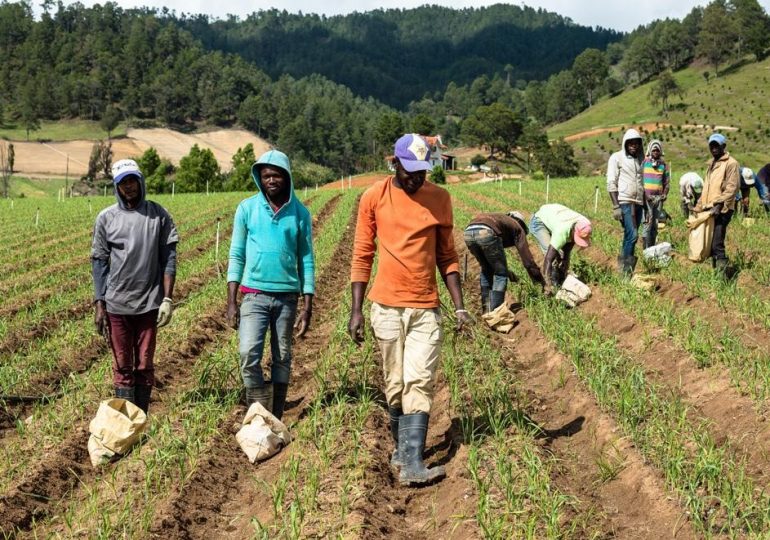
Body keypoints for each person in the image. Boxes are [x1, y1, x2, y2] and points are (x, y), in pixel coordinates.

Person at [348, 133, 471, 487]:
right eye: (410, 170)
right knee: (395, 382)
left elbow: (447, 256)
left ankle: (413, 461)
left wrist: (460, 308)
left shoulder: (440, 199)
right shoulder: (374, 196)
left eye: (423, 171)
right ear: (395, 163)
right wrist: (356, 310)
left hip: (425, 308)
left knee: (420, 379)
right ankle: (401, 453)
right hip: (385, 305)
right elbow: (361, 253)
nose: (417, 177)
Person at [226, 150, 315, 420]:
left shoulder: (300, 214)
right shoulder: (247, 209)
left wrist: (307, 303)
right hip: (253, 295)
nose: (272, 180)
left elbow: (306, 258)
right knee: (248, 352)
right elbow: (236, 254)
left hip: (287, 297)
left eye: (277, 175)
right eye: (266, 176)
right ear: (259, 178)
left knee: (282, 355)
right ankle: (257, 410)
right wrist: (231, 301)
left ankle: (275, 416)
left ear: (287, 178)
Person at [91, 159, 179, 414]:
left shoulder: (158, 215)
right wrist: (100, 304)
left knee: (144, 364)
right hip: (117, 305)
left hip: (149, 304)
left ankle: (141, 418)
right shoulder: (106, 218)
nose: (128, 187)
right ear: (116, 187)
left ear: (140, 182)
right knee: (122, 365)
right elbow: (99, 262)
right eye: (123, 183)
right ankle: (126, 420)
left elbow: (169, 259)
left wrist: (167, 299)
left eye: (132, 181)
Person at [463, 211, 545, 313]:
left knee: (486, 269)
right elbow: (528, 262)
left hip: (468, 232)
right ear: (521, 223)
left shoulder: (501, 220)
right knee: (500, 275)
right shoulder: (517, 227)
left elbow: (493, 262)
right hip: (487, 231)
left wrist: (506, 270)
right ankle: (496, 312)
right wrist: (541, 283)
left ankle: (486, 310)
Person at [693, 133, 740, 275]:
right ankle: (716, 273)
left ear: (723, 146)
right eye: (711, 145)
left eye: (717, 145)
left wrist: (718, 204)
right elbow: (706, 188)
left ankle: (723, 279)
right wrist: (698, 206)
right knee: (710, 243)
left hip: (723, 209)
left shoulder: (731, 163)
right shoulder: (711, 164)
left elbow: (732, 188)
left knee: (717, 243)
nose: (714, 148)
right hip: (710, 209)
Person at [529, 203, 592, 293]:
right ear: (573, 231)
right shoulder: (561, 232)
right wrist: (548, 282)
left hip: (556, 216)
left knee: (563, 255)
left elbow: (567, 251)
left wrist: (564, 265)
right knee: (552, 255)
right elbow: (548, 259)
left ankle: (561, 279)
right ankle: (552, 284)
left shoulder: (585, 224)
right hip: (539, 222)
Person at [607, 128, 644, 276]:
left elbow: (644, 182)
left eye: (636, 143)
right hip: (624, 201)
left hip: (638, 202)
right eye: (630, 143)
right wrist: (616, 206)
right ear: (625, 144)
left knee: (629, 236)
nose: (633, 146)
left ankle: (624, 270)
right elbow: (611, 182)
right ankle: (626, 272)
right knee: (633, 234)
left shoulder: (641, 160)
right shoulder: (617, 158)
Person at [641, 139, 670, 248]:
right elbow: (639, 181)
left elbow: (666, 182)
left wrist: (665, 194)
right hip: (646, 198)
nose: (656, 152)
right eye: (654, 150)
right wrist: (645, 195)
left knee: (655, 224)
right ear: (650, 150)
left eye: (658, 150)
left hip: (658, 199)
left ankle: (652, 248)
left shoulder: (663, 164)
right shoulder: (644, 162)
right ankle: (645, 249)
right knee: (647, 223)